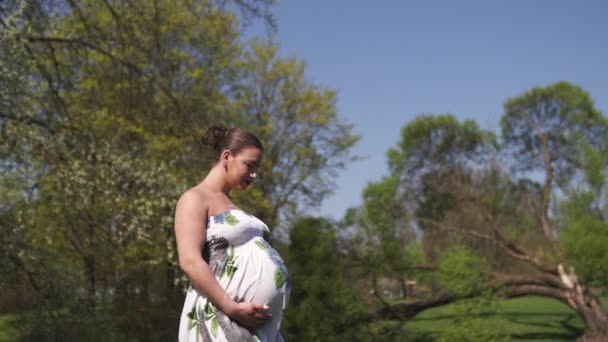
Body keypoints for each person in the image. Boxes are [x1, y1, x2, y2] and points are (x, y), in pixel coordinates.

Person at [175, 126, 290, 341]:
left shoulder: (233, 205)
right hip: (221, 322)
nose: (254, 175)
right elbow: (190, 261)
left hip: (259, 330)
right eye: (250, 165)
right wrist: (232, 308)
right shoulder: (195, 198)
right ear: (227, 156)